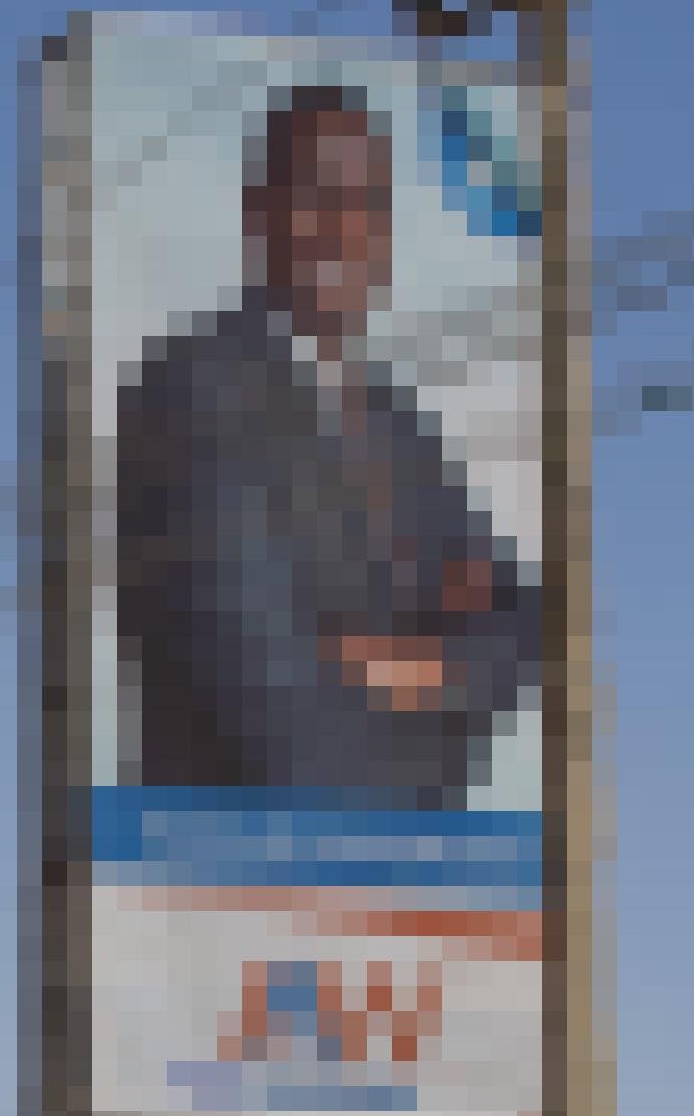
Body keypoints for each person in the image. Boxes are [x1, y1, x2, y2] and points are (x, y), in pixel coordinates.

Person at [114, 80, 540, 809]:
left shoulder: (397, 422)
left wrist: (414, 672)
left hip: (404, 886)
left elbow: (528, 626)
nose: (343, 228)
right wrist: (449, 691)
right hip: (235, 883)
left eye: (366, 202)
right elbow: (263, 697)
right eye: (317, 194)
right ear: (259, 215)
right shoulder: (192, 387)